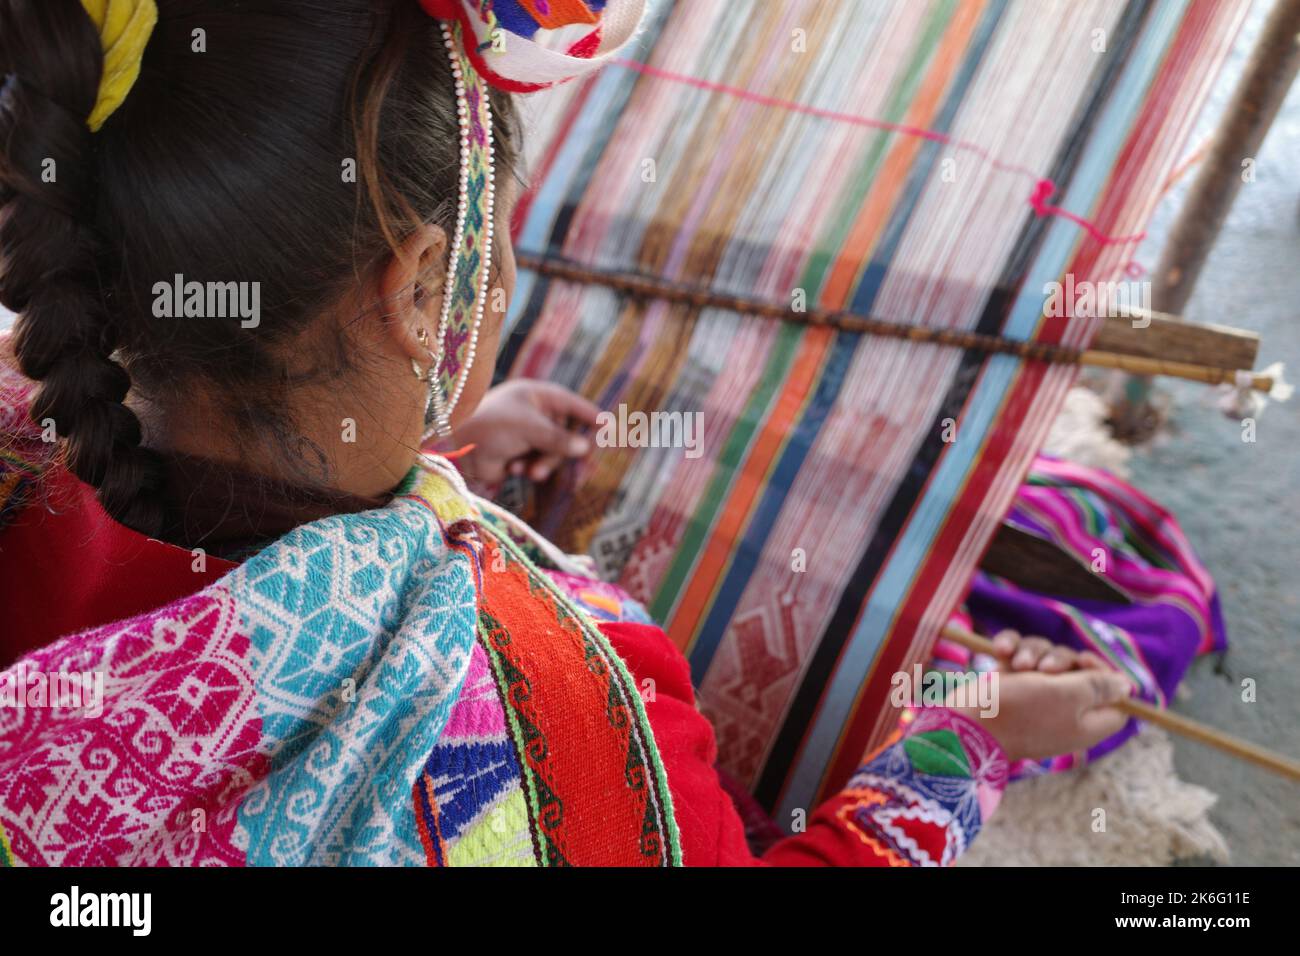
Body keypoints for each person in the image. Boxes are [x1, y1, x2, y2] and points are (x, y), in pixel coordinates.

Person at [0, 0, 1132, 867]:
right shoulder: (569, 720)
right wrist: (965, 742)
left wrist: (444, 445)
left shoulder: (24, 453)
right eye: (500, 256)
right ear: (423, 289)